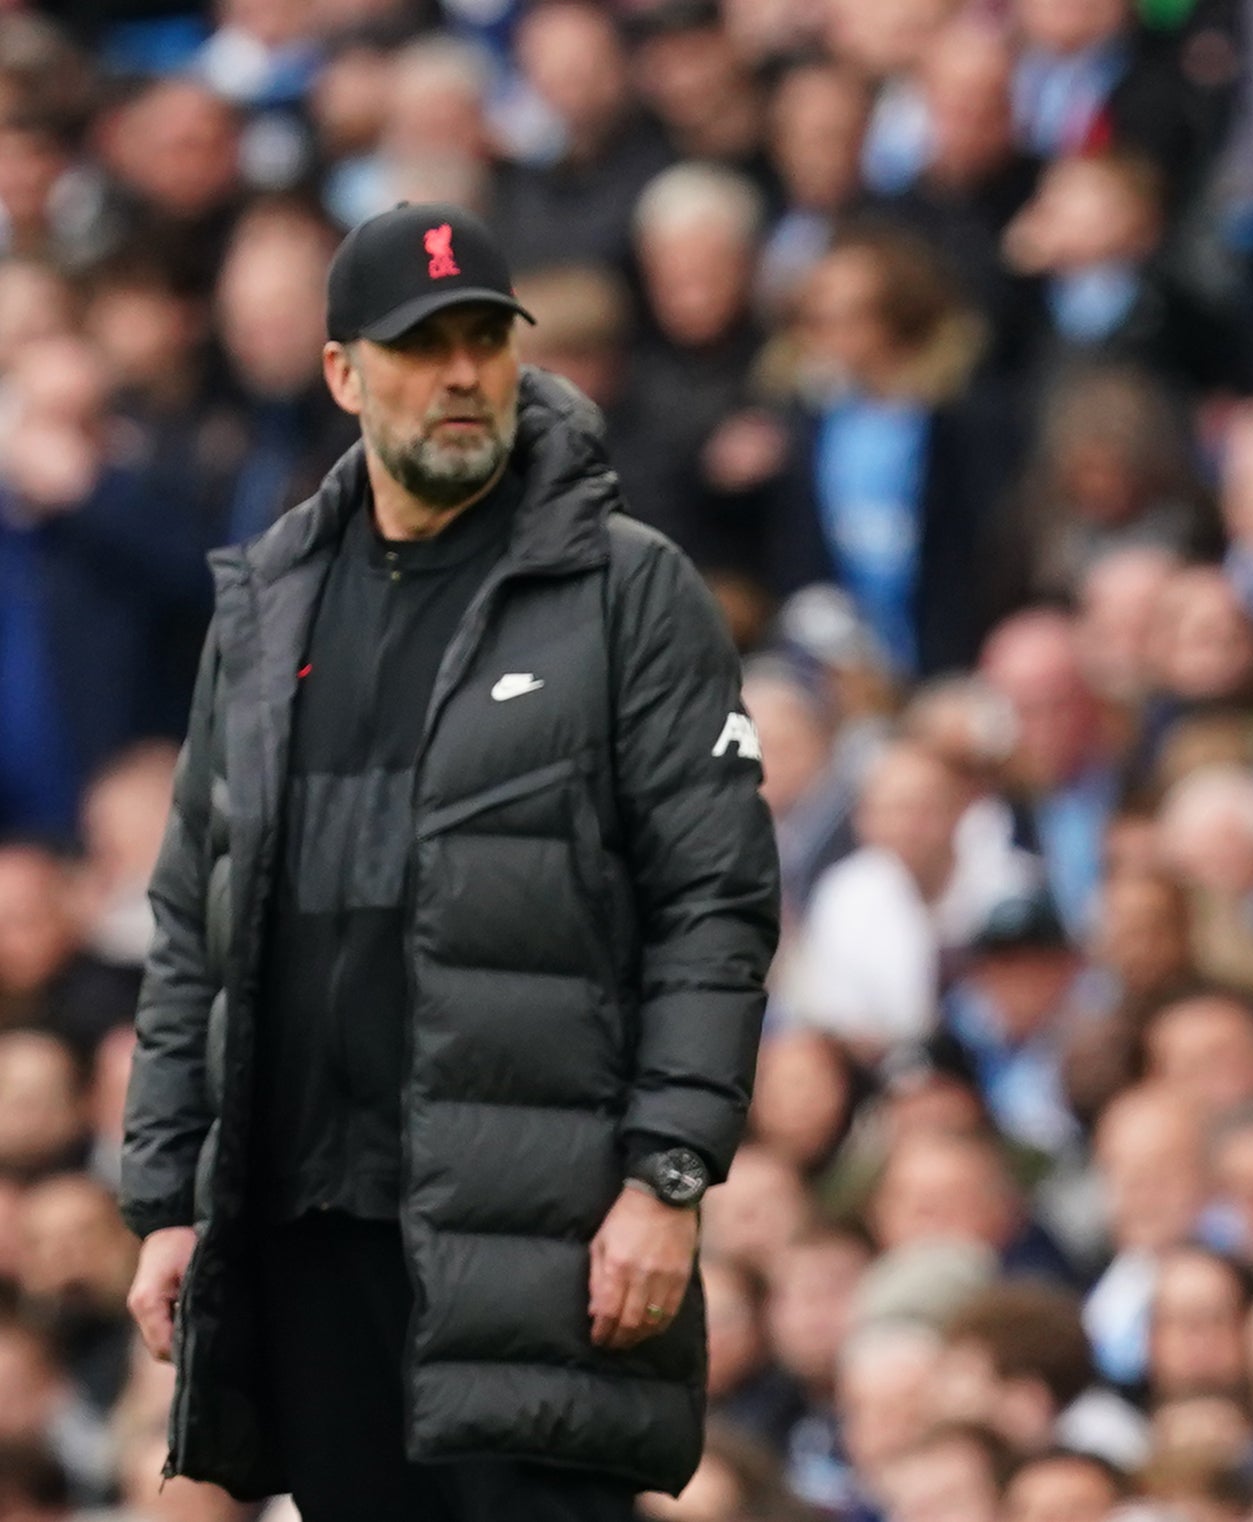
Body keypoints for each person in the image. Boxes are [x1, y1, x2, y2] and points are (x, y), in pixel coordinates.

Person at [115, 203, 780, 1519]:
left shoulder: (627, 589)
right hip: (309, 1230)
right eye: (423, 346)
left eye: (486, 339)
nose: (464, 372)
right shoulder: (264, 607)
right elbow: (199, 918)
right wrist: (167, 1199)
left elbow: (715, 901)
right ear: (342, 374)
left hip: (533, 1235)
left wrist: (668, 1175)